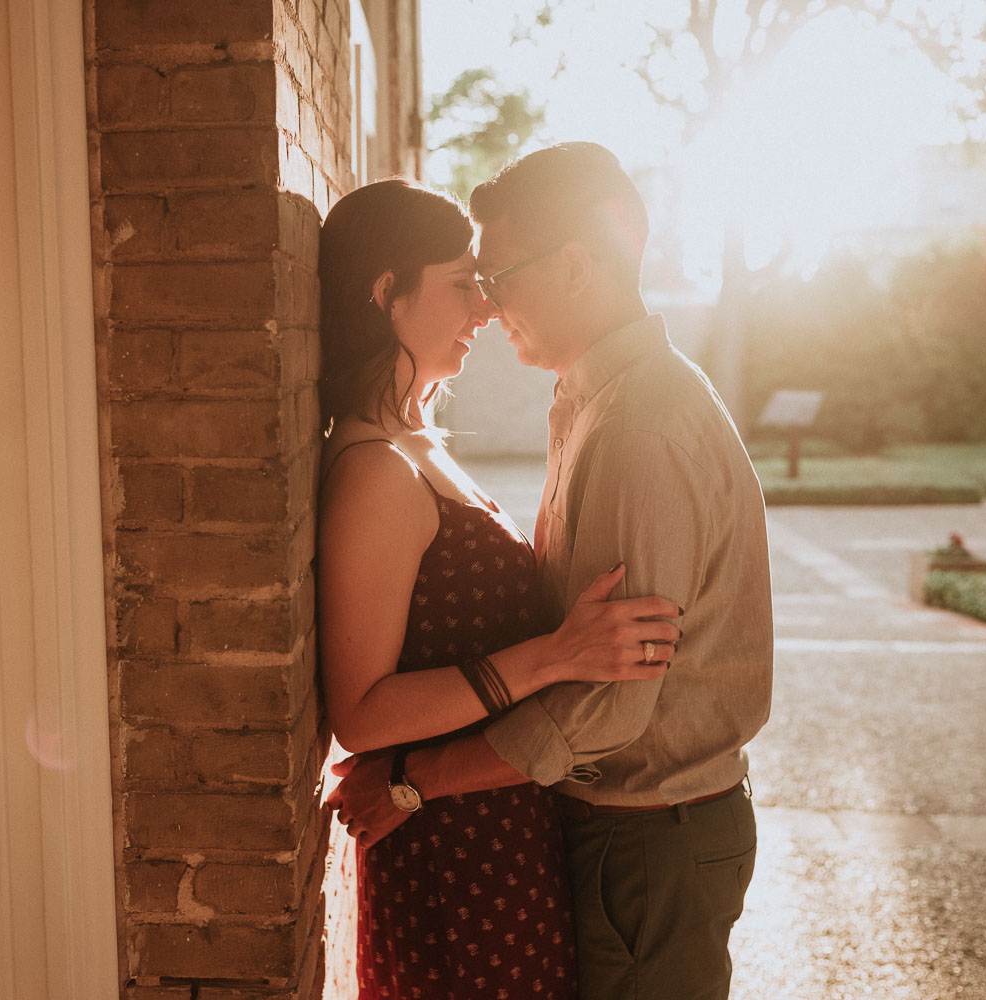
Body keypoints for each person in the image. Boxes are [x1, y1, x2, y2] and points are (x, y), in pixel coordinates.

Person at [328, 144, 774, 1000]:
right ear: (387, 293)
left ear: (575, 266)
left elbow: (611, 697)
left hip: (647, 836)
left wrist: (420, 781)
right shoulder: (588, 405)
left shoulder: (636, 425)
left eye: (496, 276)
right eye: (469, 282)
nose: (489, 307)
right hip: (577, 842)